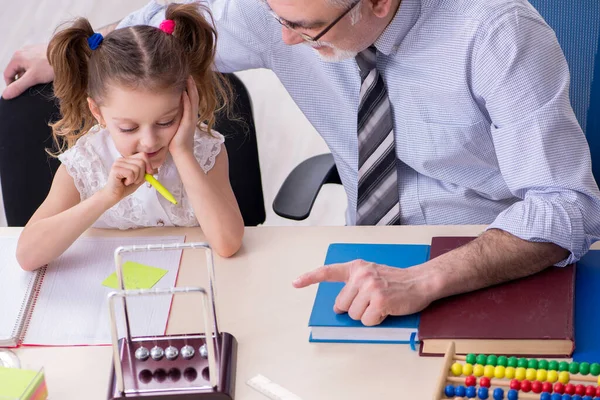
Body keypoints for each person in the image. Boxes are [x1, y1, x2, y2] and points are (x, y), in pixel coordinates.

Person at [4, 0, 600, 324]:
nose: (282, 41)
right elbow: (165, 28)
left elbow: (566, 208)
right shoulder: (278, 12)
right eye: (276, 17)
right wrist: (66, 55)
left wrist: (425, 279)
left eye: (304, 27)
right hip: (367, 265)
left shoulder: (496, 33)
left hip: (483, 260)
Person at [13, 3, 244, 271]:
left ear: (187, 102)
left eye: (166, 121)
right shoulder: (86, 162)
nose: (149, 141)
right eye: (128, 128)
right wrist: (106, 197)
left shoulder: (205, 152)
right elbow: (27, 256)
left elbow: (228, 244)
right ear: (97, 112)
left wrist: (183, 153)